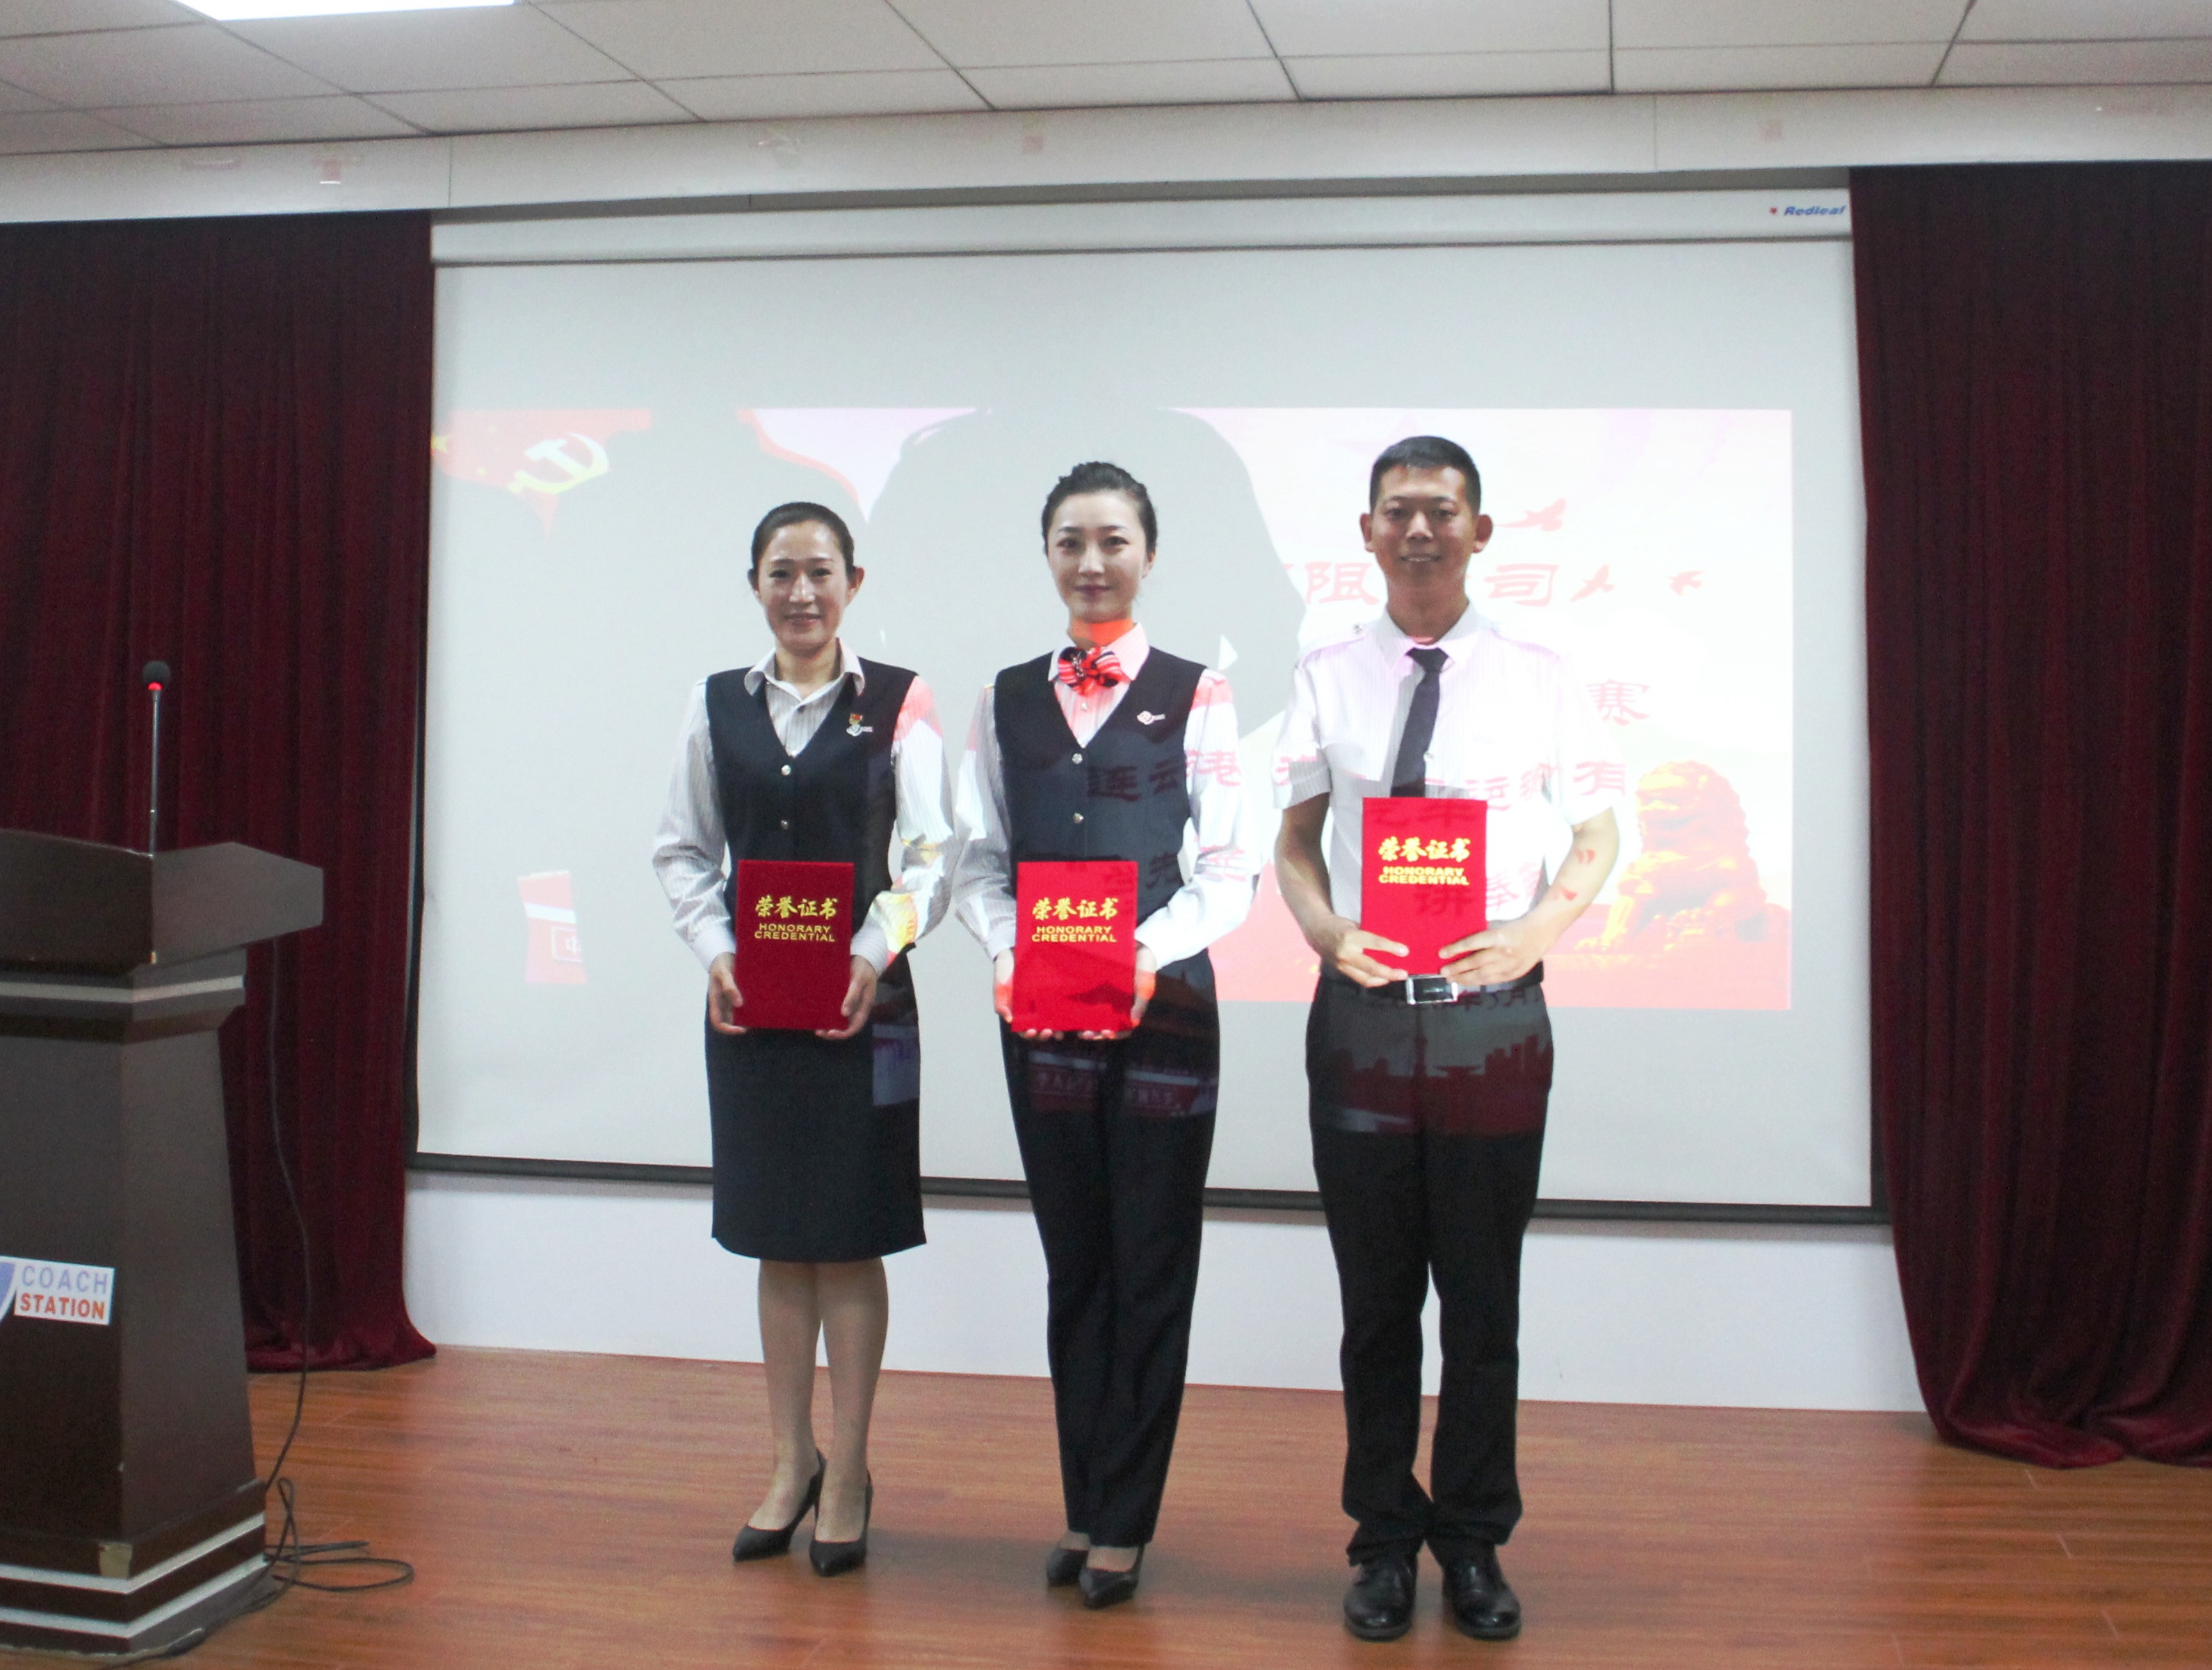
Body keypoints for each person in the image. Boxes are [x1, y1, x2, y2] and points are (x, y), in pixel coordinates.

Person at [1271, 437, 1624, 1644]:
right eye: (1396, 511)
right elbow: (1294, 840)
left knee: (1480, 1301)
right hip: (1364, 1022)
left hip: (1491, 1027)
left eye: (1439, 510)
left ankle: (1471, 1537)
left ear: (1480, 530)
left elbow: (1597, 834)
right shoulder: (1326, 675)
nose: (1417, 530)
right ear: (1365, 532)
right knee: (1374, 1305)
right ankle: (1380, 1538)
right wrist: (1325, 929)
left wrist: (1533, 932)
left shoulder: (1539, 675)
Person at [950, 461, 1252, 1612]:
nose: (1091, 561)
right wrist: (1007, 944)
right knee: (1075, 1257)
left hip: (1164, 1011)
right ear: (1047, 554)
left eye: (1113, 540)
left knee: (1152, 1259)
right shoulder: (1004, 698)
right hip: (1042, 1012)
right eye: (1070, 540)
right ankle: (1083, 1500)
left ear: (1148, 553)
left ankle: (1126, 1519)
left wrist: (1142, 951)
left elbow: (1227, 865)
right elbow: (981, 861)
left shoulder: (1198, 693)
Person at [651, 501, 949, 1577]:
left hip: (866, 1006)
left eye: (820, 570)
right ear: (755, 585)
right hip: (751, 1009)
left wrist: (871, 950)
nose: (801, 591)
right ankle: (791, 1461)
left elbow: (932, 856)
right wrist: (714, 949)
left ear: (852, 583)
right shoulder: (714, 704)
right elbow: (681, 850)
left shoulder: (900, 702)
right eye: (781, 572)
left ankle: (852, 1469)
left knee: (849, 1235)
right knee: (778, 1235)